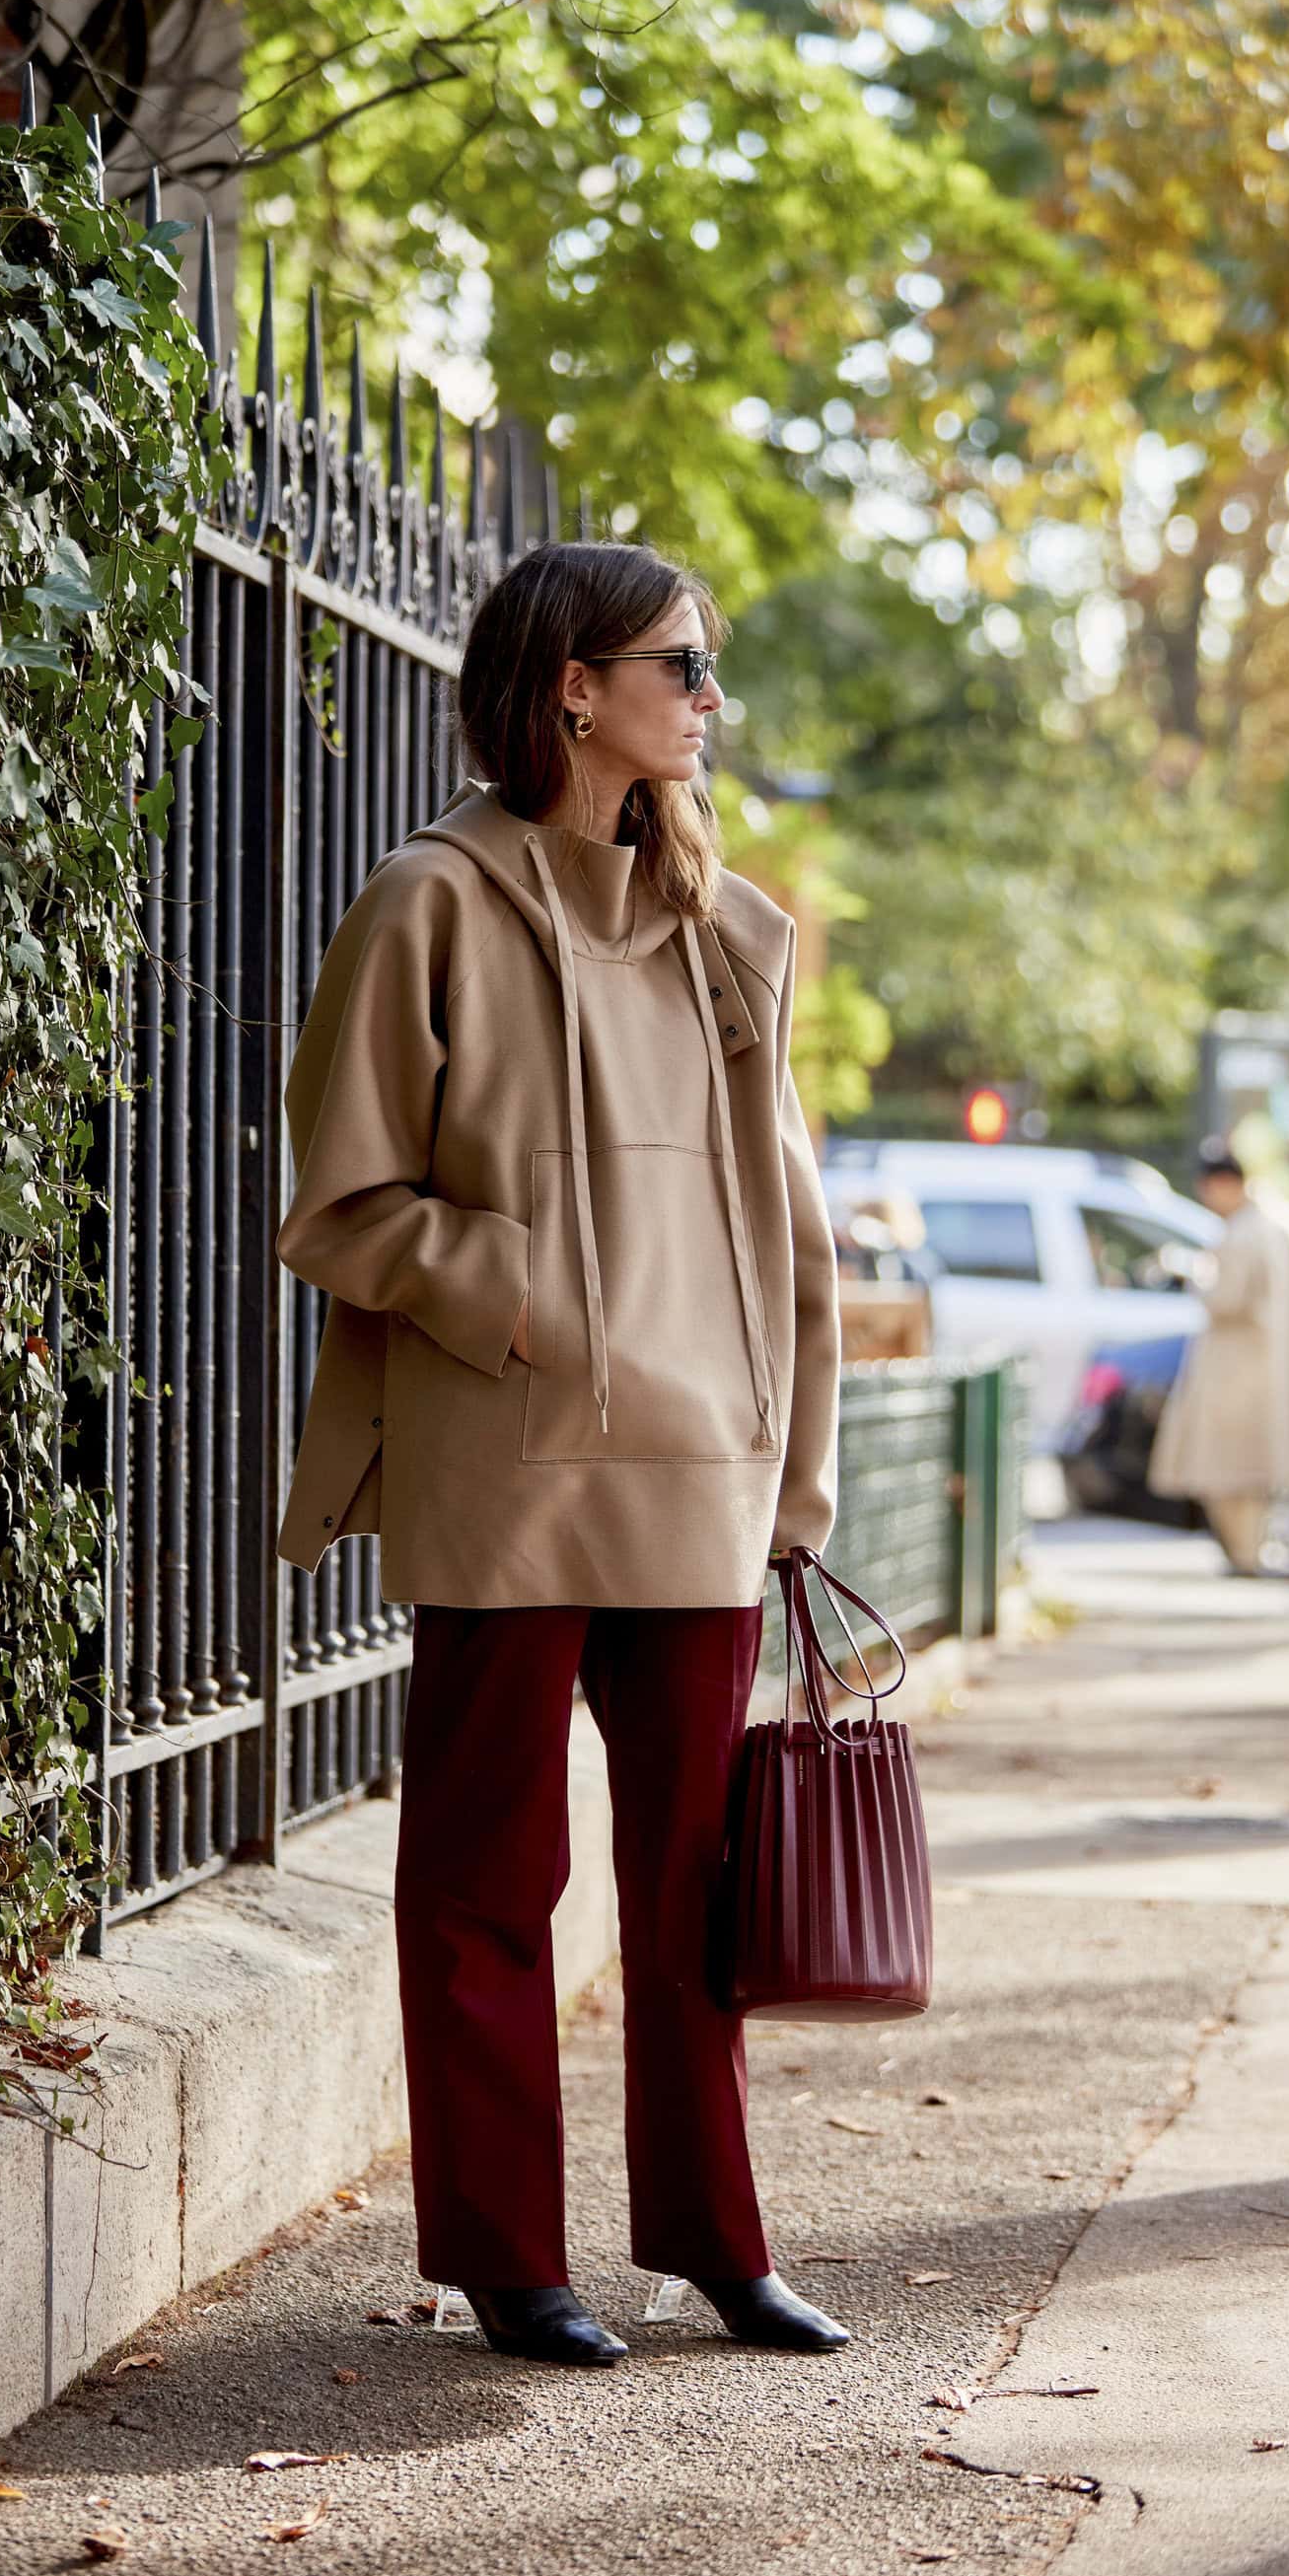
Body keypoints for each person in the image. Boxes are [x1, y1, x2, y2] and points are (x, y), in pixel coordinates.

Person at [273, 540, 846, 2368]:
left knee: (697, 1888)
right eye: (681, 664)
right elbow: (341, 1205)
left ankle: (715, 2242)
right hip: (506, 1467)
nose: (708, 698)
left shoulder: (730, 933)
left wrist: (795, 1477)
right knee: (482, 1877)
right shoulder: (427, 904)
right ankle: (512, 2256)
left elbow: (798, 1239)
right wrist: (523, 1293)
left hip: (700, 1477)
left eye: (710, 668)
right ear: (572, 686)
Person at [1149, 1138, 1289, 1573]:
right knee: (1257, 1475)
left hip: (1237, 1372)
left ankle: (1245, 1556)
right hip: (1280, 1368)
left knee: (1228, 1475)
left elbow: (1224, 1299)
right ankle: (1250, 1554)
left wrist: (1193, 1272)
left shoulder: (1245, 1231)